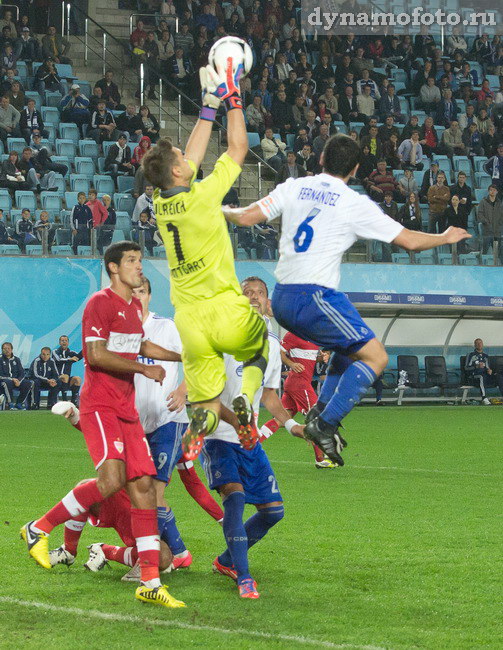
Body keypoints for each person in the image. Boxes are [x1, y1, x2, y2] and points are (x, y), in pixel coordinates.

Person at [221, 134, 470, 463]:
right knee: (376, 358)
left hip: (282, 298)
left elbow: (247, 216)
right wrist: (444, 236)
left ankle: (320, 411)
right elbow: (409, 240)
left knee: (347, 351)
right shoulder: (353, 202)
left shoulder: (294, 186)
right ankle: (324, 424)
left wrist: (218, 208)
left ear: (321, 158)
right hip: (314, 295)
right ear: (354, 168)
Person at [20, 241, 185, 608]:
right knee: (111, 481)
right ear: (113, 268)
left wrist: (184, 354)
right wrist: (144, 369)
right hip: (100, 406)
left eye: (140, 261)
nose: (139, 267)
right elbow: (95, 355)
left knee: (142, 485)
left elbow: (142, 345)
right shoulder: (100, 302)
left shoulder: (130, 308)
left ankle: (150, 582)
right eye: (131, 261)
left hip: (126, 410)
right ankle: (39, 527)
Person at [142, 59, 269, 460]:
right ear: (179, 171)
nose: (186, 156)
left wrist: (207, 109)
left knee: (208, 403)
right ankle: (248, 399)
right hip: (222, 306)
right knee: (258, 348)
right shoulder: (203, 196)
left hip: (188, 319)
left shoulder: (162, 202)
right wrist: (233, 100)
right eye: (181, 157)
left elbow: (187, 160)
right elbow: (238, 148)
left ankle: (202, 424)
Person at [201, 277, 302, 599]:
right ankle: (244, 577)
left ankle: (227, 561)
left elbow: (270, 395)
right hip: (219, 435)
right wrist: (239, 424)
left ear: (267, 301)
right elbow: (209, 395)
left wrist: (291, 426)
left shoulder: (272, 345)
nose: (254, 297)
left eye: (259, 293)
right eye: (247, 293)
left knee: (273, 511)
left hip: (249, 440)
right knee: (236, 499)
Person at [262, 331, 334, 469]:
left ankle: (251, 445)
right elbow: (279, 352)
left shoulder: (312, 337)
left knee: (281, 419)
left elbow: (309, 359)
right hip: (299, 384)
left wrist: (321, 357)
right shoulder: (293, 334)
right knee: (317, 419)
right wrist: (291, 364)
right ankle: (321, 459)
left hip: (295, 383)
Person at [465, 338, 503, 405]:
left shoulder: (486, 356)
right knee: (481, 377)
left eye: (480, 343)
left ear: (483, 345)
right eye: (477, 343)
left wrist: (490, 370)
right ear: (475, 345)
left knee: (498, 376)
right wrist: (476, 366)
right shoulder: (471, 355)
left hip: (486, 375)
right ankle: (484, 398)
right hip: (474, 376)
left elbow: (488, 367)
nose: (479, 344)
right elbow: (466, 368)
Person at [0, 341, 33, 410]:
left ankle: (19, 403)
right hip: (4, 381)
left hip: (16, 381)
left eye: (8, 348)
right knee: (7, 383)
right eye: (4, 349)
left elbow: (22, 373)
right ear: (2, 350)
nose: (7, 350)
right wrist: (12, 379)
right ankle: (10, 404)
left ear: (12, 349)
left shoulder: (17, 359)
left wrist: (19, 381)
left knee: (28, 383)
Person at [52, 335, 82, 405]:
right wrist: (69, 359)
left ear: (68, 343)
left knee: (77, 379)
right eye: (62, 341)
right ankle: (65, 401)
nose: (64, 342)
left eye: (66, 341)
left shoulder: (71, 352)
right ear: (59, 343)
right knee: (65, 376)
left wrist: (86, 348)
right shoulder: (55, 351)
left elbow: (78, 357)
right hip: (57, 378)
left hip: (67, 380)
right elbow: (58, 359)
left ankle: (74, 401)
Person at [476, 184, 503, 255]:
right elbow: (480, 214)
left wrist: (499, 225)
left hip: (497, 232)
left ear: (497, 192)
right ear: (488, 191)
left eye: (494, 190)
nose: (492, 192)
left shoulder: (499, 203)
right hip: (487, 232)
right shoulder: (483, 202)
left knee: (499, 253)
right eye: (491, 190)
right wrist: (486, 222)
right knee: (485, 252)